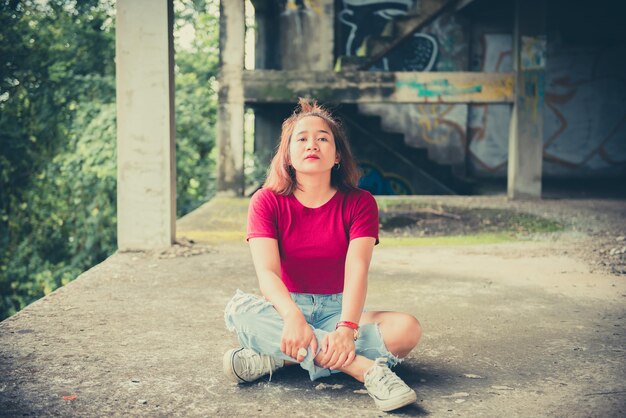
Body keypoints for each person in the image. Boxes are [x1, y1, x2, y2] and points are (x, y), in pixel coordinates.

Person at [223, 98, 422, 412]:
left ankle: (280, 357)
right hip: (287, 307)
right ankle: (364, 369)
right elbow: (268, 274)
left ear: (337, 154)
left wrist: (346, 329)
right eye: (301, 139)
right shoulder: (266, 201)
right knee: (238, 311)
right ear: (287, 154)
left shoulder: (360, 202)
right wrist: (292, 318)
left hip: (337, 307)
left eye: (322, 138)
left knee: (406, 329)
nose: (311, 144)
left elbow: (357, 268)